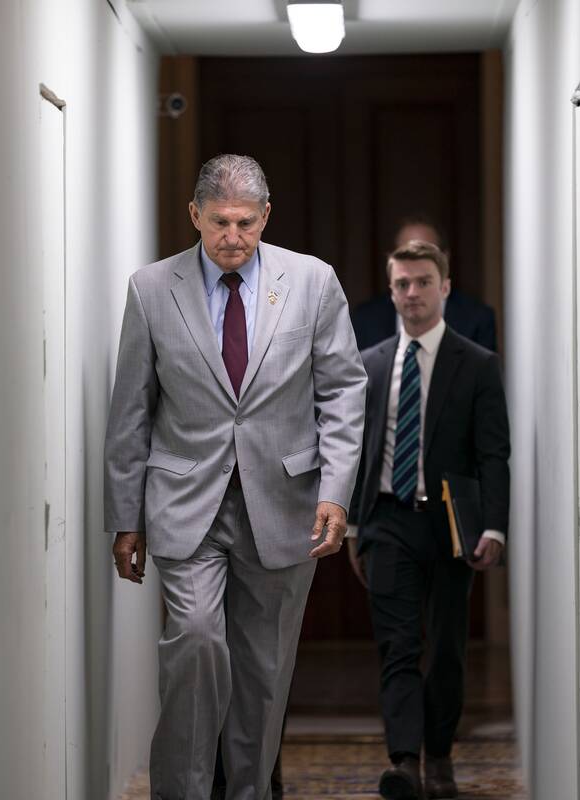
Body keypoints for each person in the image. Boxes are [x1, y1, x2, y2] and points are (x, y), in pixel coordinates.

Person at [104, 154, 367, 800]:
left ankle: (248, 792)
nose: (232, 237)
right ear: (194, 216)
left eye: (246, 223)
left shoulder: (311, 283)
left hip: (283, 505)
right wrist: (124, 517)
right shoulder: (151, 290)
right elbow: (130, 411)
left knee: (262, 674)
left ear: (265, 217)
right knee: (194, 641)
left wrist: (336, 491)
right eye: (219, 222)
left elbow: (343, 390)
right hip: (186, 503)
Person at [346, 239, 510, 799]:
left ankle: (438, 754)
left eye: (421, 282)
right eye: (401, 284)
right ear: (390, 290)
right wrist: (351, 527)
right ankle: (404, 762)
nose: (411, 294)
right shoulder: (367, 367)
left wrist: (493, 526)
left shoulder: (478, 366)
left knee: (445, 649)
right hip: (388, 521)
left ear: (444, 287)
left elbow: (494, 454)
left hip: (449, 524)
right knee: (397, 648)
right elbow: (355, 452)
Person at [350, 216, 498, 352]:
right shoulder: (364, 320)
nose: (415, 265)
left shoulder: (477, 320)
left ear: (444, 259)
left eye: (425, 255)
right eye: (406, 255)